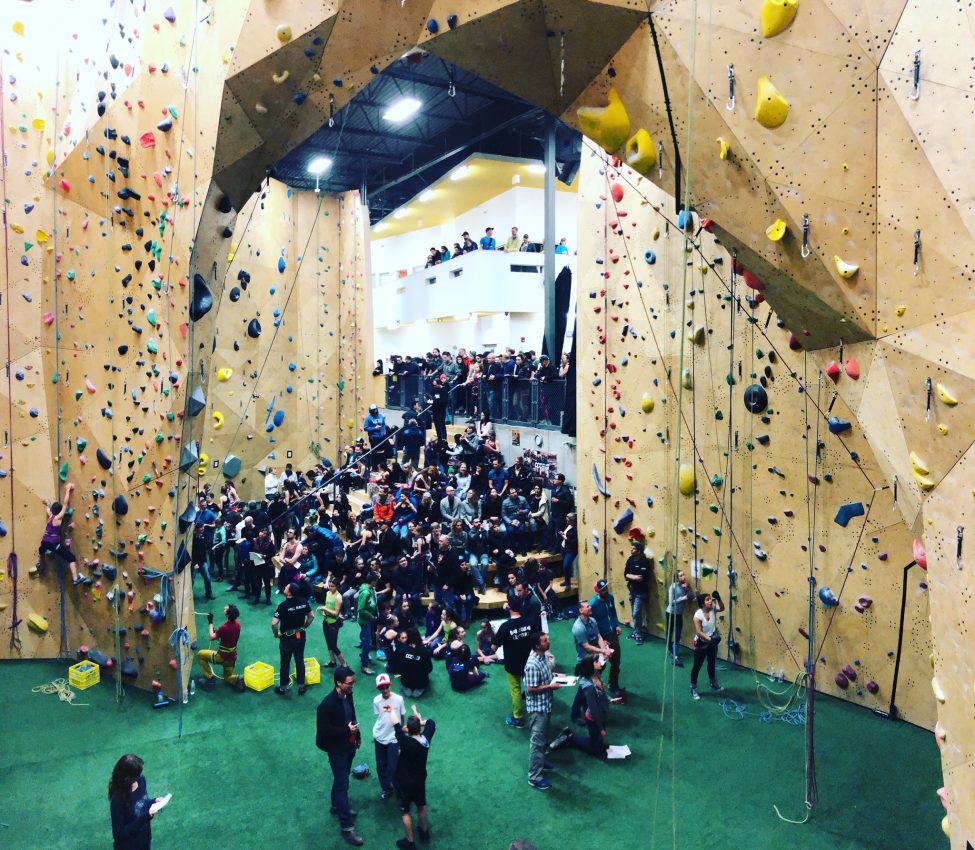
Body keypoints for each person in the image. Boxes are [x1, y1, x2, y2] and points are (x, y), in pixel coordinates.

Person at [316, 666, 363, 846]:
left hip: (349, 745)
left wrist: (357, 735)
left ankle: (336, 805)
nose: (352, 686)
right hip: (336, 749)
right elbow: (324, 730)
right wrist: (346, 731)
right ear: (339, 683)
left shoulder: (348, 695)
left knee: (341, 779)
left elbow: (352, 715)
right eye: (350, 683)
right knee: (343, 784)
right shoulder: (326, 705)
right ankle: (347, 828)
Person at [393, 704, 436, 850]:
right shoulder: (426, 739)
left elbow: (396, 726)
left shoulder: (405, 742)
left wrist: (391, 710)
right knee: (421, 805)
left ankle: (410, 842)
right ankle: (424, 833)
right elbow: (431, 722)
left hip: (404, 782)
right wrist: (419, 717)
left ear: (408, 730)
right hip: (419, 780)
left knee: (405, 811)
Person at [108, 754, 169, 850]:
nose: (141, 775)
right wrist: (145, 817)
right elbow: (119, 835)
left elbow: (141, 802)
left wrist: (154, 802)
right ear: (129, 778)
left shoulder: (141, 780)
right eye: (138, 774)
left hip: (144, 840)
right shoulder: (118, 800)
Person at [523, 632, 559, 790]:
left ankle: (541, 762)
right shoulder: (532, 664)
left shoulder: (543, 655)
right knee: (537, 743)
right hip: (538, 709)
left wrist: (554, 676)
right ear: (537, 645)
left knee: (543, 738)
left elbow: (545, 675)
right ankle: (534, 777)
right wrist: (550, 686)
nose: (548, 642)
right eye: (545, 641)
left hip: (546, 704)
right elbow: (530, 689)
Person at [494, 596, 535, 728]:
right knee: (531, 685)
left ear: (509, 607)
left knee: (516, 689)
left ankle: (518, 718)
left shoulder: (505, 627)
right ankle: (535, 710)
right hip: (529, 662)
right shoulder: (529, 622)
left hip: (513, 664)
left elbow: (494, 646)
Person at [39, 482, 91, 585]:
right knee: (71, 558)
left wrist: (47, 503)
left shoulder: (50, 516)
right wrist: (68, 489)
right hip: (54, 545)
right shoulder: (58, 517)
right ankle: (75, 579)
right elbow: (65, 503)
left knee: (41, 551)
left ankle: (42, 566)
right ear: (59, 512)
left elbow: (48, 508)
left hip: (44, 541)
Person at [271, 582, 314, 696]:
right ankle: (301, 686)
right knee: (299, 660)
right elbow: (311, 617)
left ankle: (283, 688)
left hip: (287, 639)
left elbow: (274, 624)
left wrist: (276, 634)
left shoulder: (283, 606)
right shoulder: (304, 602)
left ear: (289, 592)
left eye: (285, 587)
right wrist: (304, 627)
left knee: (285, 663)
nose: (284, 587)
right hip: (300, 636)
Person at [372, 673, 406, 802]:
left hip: (393, 738)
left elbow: (402, 716)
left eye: (386, 687)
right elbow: (380, 717)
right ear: (378, 689)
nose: (385, 690)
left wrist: (401, 732)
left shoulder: (399, 699)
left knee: (392, 768)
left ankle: (399, 789)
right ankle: (386, 788)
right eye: (382, 688)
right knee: (381, 767)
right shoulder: (376, 701)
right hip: (379, 737)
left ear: (390, 685)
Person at [196, 604, 246, 691]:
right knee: (227, 677)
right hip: (232, 657)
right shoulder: (238, 624)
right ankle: (236, 678)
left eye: (227, 608)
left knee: (201, 655)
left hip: (222, 657)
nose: (225, 607)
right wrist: (218, 633)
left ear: (228, 614)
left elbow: (212, 637)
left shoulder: (224, 628)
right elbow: (227, 635)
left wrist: (210, 622)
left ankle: (209, 678)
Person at [590, 579, 624, 698]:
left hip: (613, 635)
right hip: (602, 639)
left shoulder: (610, 598)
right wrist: (599, 641)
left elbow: (613, 613)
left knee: (616, 662)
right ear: (598, 591)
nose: (606, 590)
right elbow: (592, 625)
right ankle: (594, 685)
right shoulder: (593, 605)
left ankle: (613, 684)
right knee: (600, 664)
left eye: (606, 587)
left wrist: (617, 625)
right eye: (603, 589)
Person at [690, 590, 726, 700]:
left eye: (711, 599)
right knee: (697, 666)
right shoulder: (698, 615)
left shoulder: (712, 610)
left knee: (711, 663)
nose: (710, 601)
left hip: (711, 641)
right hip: (701, 643)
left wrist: (718, 598)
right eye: (708, 600)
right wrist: (710, 640)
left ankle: (713, 683)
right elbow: (699, 632)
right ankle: (693, 688)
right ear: (702, 603)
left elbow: (722, 608)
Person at [624, 542, 652, 645]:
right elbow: (625, 574)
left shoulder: (644, 562)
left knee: (636, 613)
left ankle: (639, 634)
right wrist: (633, 577)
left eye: (634, 549)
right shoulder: (630, 560)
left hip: (641, 592)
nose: (631, 550)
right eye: (631, 548)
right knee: (634, 613)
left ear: (639, 551)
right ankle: (636, 632)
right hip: (632, 590)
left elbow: (641, 578)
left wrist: (632, 576)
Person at [319, 577, 348, 669]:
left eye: (333, 586)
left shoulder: (338, 598)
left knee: (333, 645)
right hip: (326, 621)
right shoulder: (328, 593)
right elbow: (328, 606)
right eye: (330, 586)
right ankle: (332, 661)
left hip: (334, 623)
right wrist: (325, 610)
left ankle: (344, 664)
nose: (330, 588)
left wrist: (324, 608)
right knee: (329, 643)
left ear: (337, 587)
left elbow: (336, 613)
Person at [396, 628, 433, 697]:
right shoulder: (424, 651)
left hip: (406, 681)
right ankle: (419, 687)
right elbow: (429, 668)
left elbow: (399, 667)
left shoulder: (402, 649)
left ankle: (408, 686)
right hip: (421, 682)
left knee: (408, 692)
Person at [357, 571, 381, 675]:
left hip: (369, 620)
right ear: (372, 581)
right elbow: (360, 609)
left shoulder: (371, 589)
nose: (377, 582)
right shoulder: (365, 592)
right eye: (376, 580)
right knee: (368, 643)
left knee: (367, 639)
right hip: (365, 620)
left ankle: (364, 655)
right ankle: (364, 666)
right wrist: (371, 616)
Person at [666, 569, 692, 666]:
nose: (683, 577)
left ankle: (675, 655)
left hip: (679, 615)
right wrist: (683, 598)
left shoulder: (685, 586)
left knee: (677, 635)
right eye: (681, 576)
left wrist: (687, 589)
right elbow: (671, 602)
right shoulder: (672, 587)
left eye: (683, 574)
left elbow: (691, 596)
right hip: (671, 613)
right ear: (677, 578)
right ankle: (670, 651)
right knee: (670, 633)